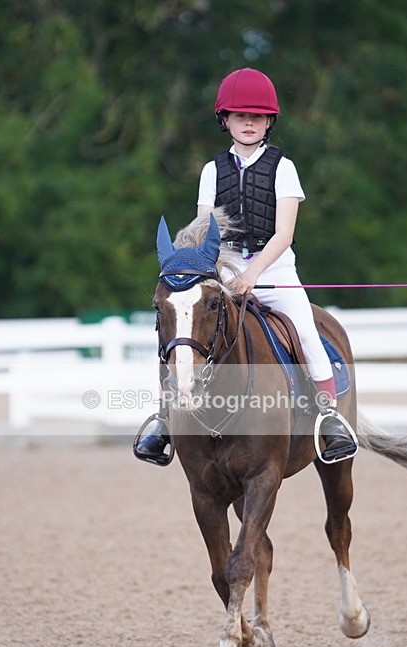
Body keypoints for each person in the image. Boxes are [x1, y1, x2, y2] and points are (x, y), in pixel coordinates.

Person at [134, 67, 357, 464]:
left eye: (256, 116)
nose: (249, 122)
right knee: (184, 332)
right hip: (222, 269)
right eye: (240, 115)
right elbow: (206, 230)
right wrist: (217, 273)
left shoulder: (282, 167)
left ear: (269, 120)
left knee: (307, 333)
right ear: (226, 120)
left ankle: (329, 417)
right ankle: (165, 419)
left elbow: (284, 234)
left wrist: (254, 275)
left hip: (275, 270)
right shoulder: (211, 170)